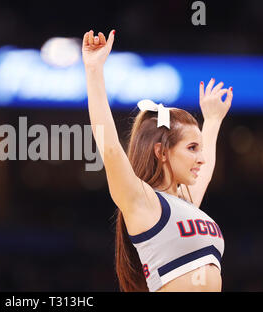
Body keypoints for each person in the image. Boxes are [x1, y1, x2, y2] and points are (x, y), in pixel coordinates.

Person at [82, 29, 233, 292]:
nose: (201, 158)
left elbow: (205, 169)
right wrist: (94, 69)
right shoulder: (144, 203)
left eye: (200, 148)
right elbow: (110, 148)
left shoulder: (185, 202)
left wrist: (213, 120)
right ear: (162, 152)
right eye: (192, 148)